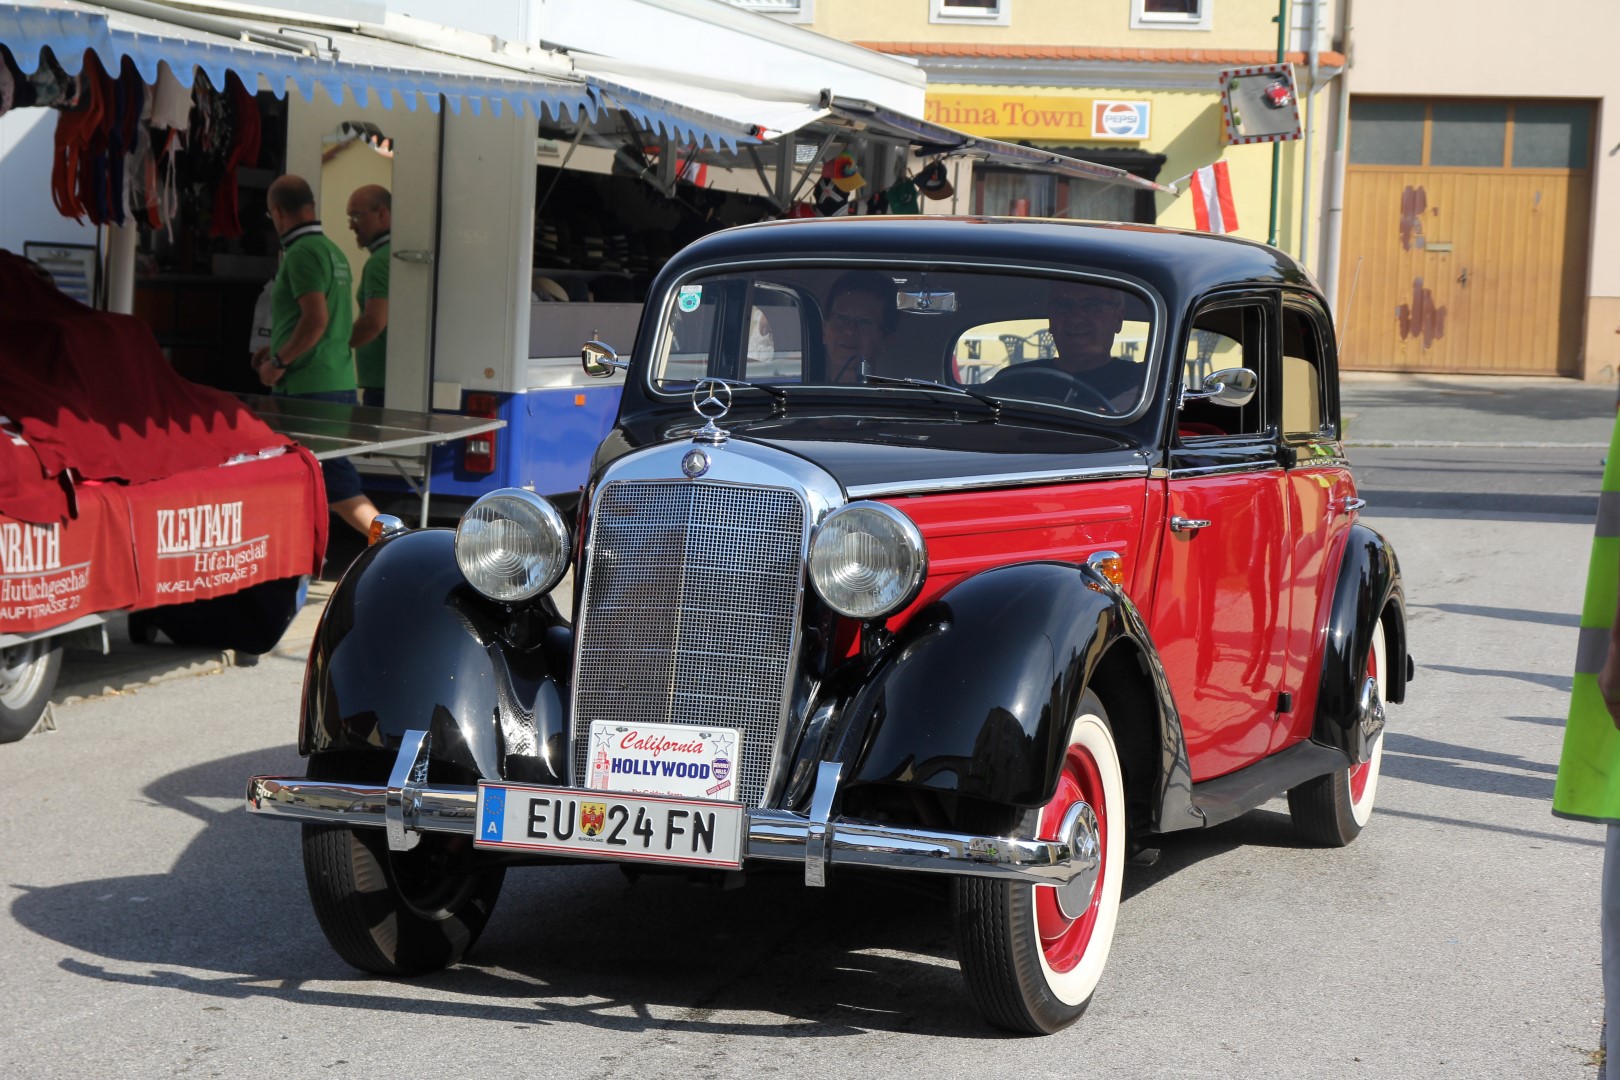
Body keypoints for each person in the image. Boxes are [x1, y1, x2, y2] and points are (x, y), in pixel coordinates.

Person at [252, 174, 379, 536]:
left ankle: (395, 544)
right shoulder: (332, 250)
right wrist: (275, 346)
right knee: (304, 483)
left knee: (337, 485)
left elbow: (316, 319)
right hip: (334, 379)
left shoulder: (301, 253)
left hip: (308, 388)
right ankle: (297, 572)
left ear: (277, 212)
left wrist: (279, 362)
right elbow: (325, 321)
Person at [987, 280, 1141, 411]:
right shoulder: (1010, 383)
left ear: (1118, 318)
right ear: (1050, 319)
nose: (1076, 317)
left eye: (1092, 306)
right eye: (1063, 306)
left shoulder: (1143, 385)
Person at [347, 184, 391, 408]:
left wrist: (333, 346)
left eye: (356, 216)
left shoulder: (380, 261)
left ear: (382, 213)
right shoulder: (393, 256)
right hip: (388, 382)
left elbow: (374, 322)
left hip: (383, 387)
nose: (350, 226)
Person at [821, 271, 894, 383]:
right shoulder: (802, 397)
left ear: (886, 340)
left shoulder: (900, 399)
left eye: (865, 322)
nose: (850, 330)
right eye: (841, 318)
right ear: (824, 330)